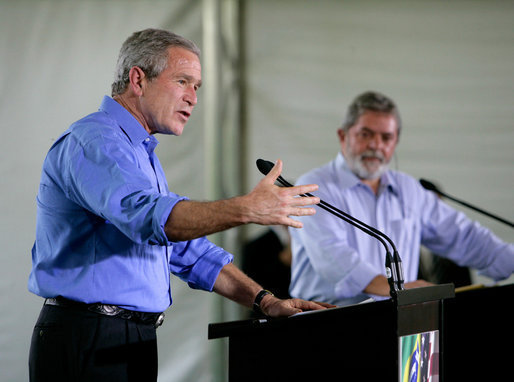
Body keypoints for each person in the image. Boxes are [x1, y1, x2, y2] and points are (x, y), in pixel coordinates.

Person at [28, 28, 332, 382]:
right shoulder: (96, 141)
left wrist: (265, 300)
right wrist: (247, 208)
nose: (193, 98)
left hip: (128, 339)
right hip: (89, 336)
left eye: (197, 87)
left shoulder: (137, 152)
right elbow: (152, 220)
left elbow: (185, 249)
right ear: (138, 79)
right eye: (183, 81)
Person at [289, 91, 514, 306]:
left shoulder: (408, 189)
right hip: (329, 322)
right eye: (365, 134)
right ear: (343, 136)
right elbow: (334, 258)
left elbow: (464, 236)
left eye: (386, 137)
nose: (376, 145)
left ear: (395, 142)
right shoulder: (313, 187)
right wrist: (400, 289)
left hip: (402, 319)